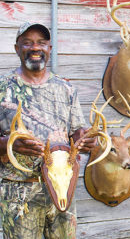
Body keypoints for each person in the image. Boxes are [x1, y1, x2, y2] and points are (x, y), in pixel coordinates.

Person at [0, 22, 96, 238]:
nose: (35, 48)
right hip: (19, 192)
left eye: (41, 43)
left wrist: (86, 140)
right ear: (17, 48)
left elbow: (76, 133)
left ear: (49, 49)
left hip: (62, 188)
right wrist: (9, 145)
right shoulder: (3, 88)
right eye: (27, 43)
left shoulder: (66, 88)